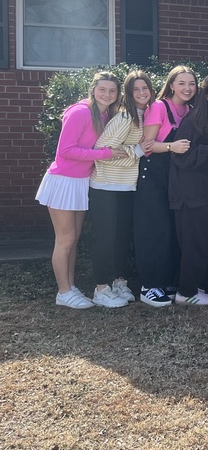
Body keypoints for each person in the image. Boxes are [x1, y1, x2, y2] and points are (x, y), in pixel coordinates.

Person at [36, 71, 127, 309]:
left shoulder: (105, 115)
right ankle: (63, 292)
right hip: (63, 181)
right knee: (65, 239)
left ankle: (70, 286)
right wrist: (105, 154)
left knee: (74, 239)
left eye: (113, 90)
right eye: (102, 89)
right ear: (93, 89)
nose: (107, 94)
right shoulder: (80, 112)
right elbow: (65, 150)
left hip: (80, 182)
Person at [88, 70, 153, 308]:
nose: (142, 93)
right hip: (105, 185)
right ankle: (101, 288)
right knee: (106, 237)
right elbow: (101, 152)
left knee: (121, 238)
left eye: (145, 88)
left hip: (127, 186)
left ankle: (119, 282)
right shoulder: (125, 117)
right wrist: (136, 152)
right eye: (136, 89)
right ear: (128, 93)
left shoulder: (146, 115)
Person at [169, 73, 208, 306]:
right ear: (206, 95)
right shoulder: (195, 120)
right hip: (189, 191)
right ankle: (185, 292)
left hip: (205, 190)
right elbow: (179, 156)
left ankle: (193, 285)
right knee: (195, 242)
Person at [137, 65, 195, 306]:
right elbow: (146, 144)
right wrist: (172, 146)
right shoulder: (159, 107)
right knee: (154, 230)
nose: (187, 88)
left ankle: (165, 281)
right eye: (181, 83)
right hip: (153, 175)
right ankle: (148, 286)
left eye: (191, 84)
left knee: (171, 230)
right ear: (171, 85)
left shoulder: (191, 110)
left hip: (175, 177)